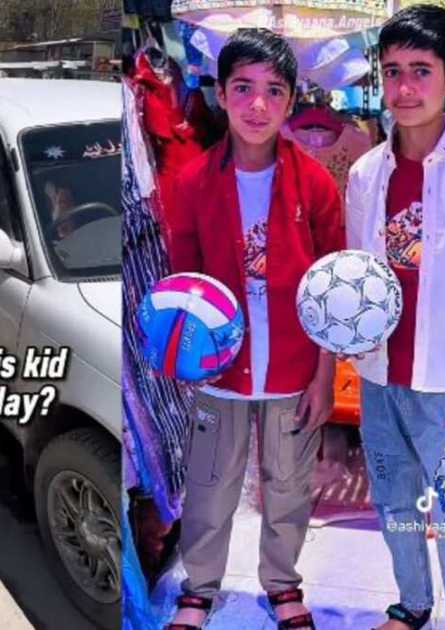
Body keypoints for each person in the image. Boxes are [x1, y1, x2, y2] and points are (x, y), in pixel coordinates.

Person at [162, 28, 345, 629]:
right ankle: (200, 585)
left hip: (293, 369)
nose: (258, 105)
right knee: (211, 482)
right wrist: (188, 362)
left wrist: (324, 376)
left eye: (273, 90)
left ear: (292, 100)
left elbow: (330, 295)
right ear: (220, 93)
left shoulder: (315, 183)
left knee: (288, 485)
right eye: (243, 88)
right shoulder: (190, 183)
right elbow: (183, 284)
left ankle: (283, 583)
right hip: (220, 370)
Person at [346, 5, 445, 628]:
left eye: (421, 71)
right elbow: (358, 276)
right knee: (393, 502)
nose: (405, 89)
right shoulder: (364, 174)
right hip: (381, 380)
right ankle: (411, 604)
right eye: (394, 71)